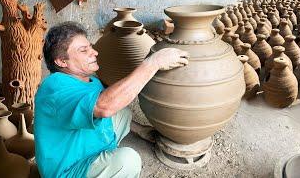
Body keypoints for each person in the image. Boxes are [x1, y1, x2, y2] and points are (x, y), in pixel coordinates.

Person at [34, 21, 188, 178]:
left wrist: (140, 130)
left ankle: (109, 151)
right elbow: (104, 107)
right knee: (127, 160)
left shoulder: (88, 79)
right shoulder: (54, 86)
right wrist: (153, 63)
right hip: (68, 169)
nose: (94, 53)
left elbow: (110, 105)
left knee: (123, 112)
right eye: (83, 50)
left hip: (86, 150)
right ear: (61, 61)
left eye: (91, 47)